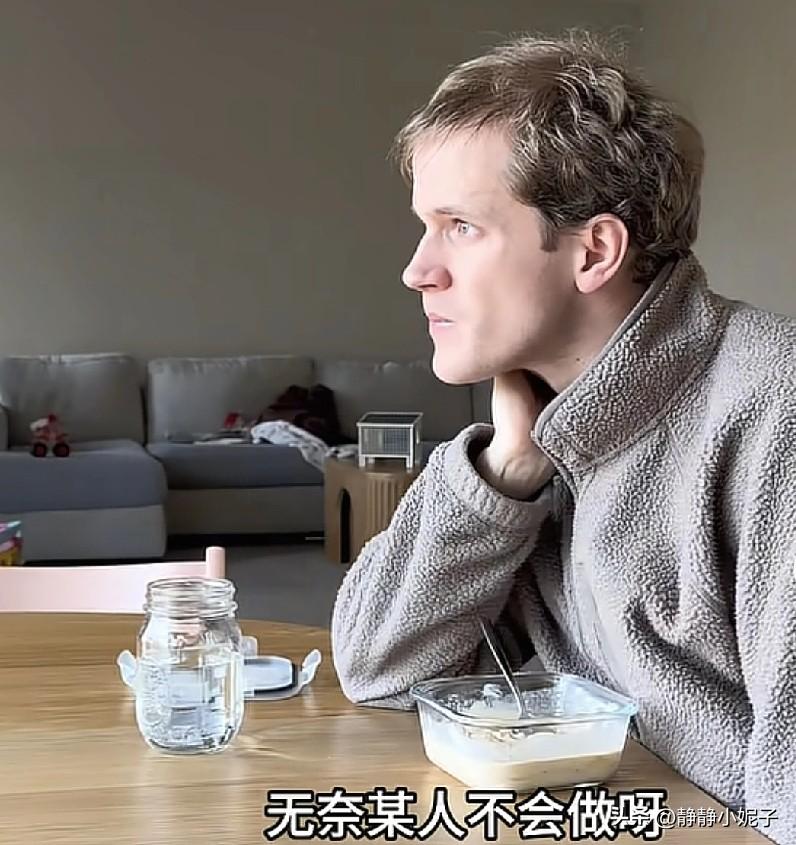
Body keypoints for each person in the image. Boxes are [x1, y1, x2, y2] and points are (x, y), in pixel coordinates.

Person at [331, 32, 795, 843]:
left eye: (460, 226)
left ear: (595, 251)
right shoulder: (544, 429)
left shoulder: (772, 410)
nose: (417, 270)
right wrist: (503, 473)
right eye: (425, 226)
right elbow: (379, 666)